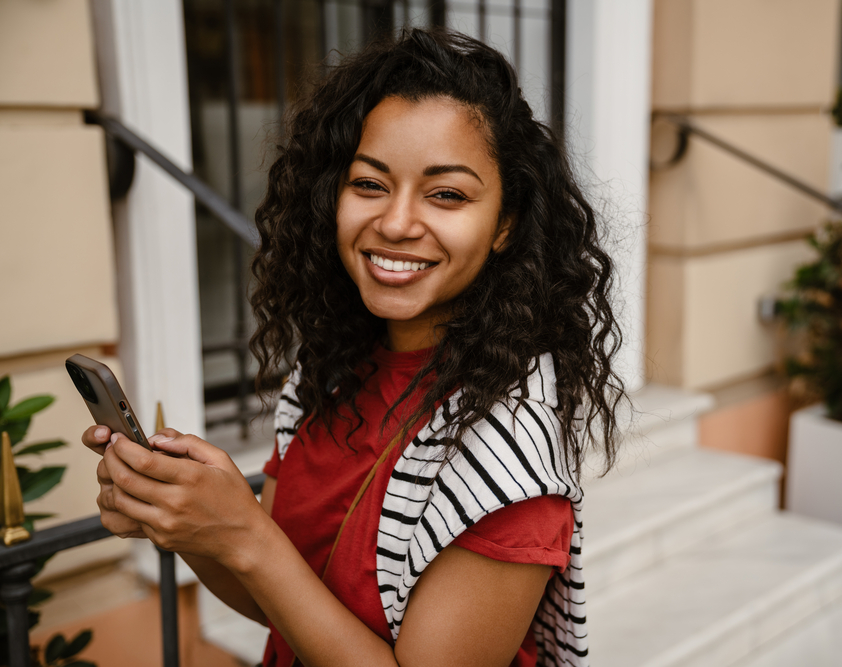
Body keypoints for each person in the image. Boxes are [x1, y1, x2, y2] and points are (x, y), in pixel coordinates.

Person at [82, 28, 625, 667]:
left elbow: (266, 558)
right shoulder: (329, 369)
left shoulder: (510, 456)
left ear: (506, 223)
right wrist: (193, 522)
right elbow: (277, 600)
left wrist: (247, 535)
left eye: (446, 193)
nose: (395, 223)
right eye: (369, 184)